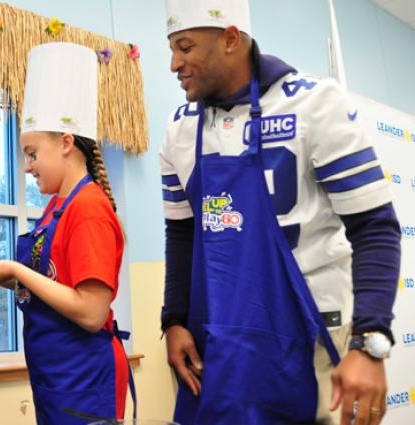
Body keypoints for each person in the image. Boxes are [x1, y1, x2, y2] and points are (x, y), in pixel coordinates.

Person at [158, 1, 401, 424]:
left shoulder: (314, 103)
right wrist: (174, 320)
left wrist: (369, 339)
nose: (174, 64)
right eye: (172, 49)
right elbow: (181, 234)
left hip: (315, 339)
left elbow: (373, 227)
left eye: (185, 47)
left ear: (231, 38)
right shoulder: (179, 129)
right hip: (221, 339)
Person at [0, 42, 131, 424]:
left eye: (33, 154)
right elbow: (40, 281)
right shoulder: (57, 207)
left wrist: (18, 272)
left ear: (66, 143)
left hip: (84, 375)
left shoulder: (88, 210)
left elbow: (90, 311)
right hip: (57, 375)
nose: (27, 167)